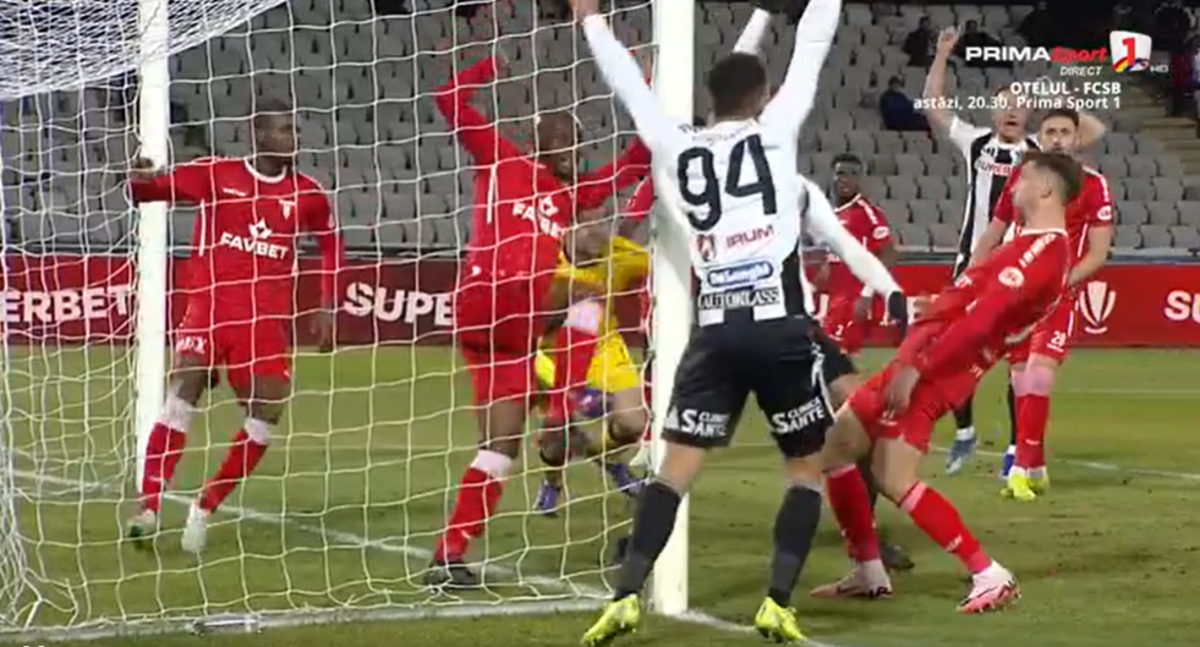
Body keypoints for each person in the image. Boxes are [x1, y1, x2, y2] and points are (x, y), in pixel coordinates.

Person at [576, 0, 907, 642]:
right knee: (806, 470)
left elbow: (627, 83)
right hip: (779, 328)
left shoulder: (676, 144)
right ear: (761, 95)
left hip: (715, 331)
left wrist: (590, 18)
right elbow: (813, 44)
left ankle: (625, 594)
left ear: (711, 99)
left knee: (674, 470)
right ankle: (777, 602)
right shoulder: (777, 131)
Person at [811, 150, 1082, 613]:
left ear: (1045, 189)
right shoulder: (1028, 245)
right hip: (927, 359)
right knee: (837, 446)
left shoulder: (1044, 252)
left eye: (1021, 180)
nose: (1012, 188)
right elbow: (966, 300)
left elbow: (980, 321)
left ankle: (987, 573)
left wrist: (916, 365)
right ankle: (869, 570)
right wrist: (925, 320)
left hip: (939, 369)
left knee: (892, 475)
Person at [425, 53, 650, 588]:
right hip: (486, 297)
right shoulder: (501, 159)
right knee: (585, 292)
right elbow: (447, 101)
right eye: (564, 137)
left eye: (579, 140)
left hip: (512, 333)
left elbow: (634, 164)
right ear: (539, 139)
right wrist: (489, 65)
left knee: (498, 448)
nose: (574, 147)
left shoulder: (572, 195)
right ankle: (562, 409)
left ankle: (448, 556)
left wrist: (644, 87)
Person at [124, 99, 343, 554]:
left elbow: (331, 244)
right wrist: (139, 178)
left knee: (266, 416)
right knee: (182, 392)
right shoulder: (215, 173)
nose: (293, 137)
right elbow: (148, 194)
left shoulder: (307, 193)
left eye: (294, 129)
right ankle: (148, 507)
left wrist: (328, 304)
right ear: (258, 134)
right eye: (283, 129)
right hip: (208, 310)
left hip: (262, 325)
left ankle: (204, 507)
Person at [922, 26, 1105, 474]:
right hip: (975, 260)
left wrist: (1058, 94)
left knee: (1018, 362)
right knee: (955, 352)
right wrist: (942, 55)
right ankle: (964, 430)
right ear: (992, 111)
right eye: (1004, 104)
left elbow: (1091, 130)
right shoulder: (975, 143)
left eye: (1019, 105)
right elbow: (934, 105)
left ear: (1029, 117)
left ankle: (1014, 447)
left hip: (1024, 267)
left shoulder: (1039, 155)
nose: (1011, 110)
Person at [968, 109, 1114, 500]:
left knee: (1038, 374)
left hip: (1059, 296)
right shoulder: (1022, 180)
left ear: (1077, 138)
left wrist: (1056, 284)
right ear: (1040, 138)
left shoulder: (1093, 184)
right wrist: (973, 281)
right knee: (1020, 380)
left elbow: (1098, 253)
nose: (1058, 139)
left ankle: (1020, 468)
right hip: (1018, 296)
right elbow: (992, 234)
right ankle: (1035, 466)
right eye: (1050, 132)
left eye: (1066, 132)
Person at [798, 171, 913, 573]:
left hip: (805, 329)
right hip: (752, 332)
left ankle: (866, 539)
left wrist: (884, 289)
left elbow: (858, 248)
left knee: (863, 421)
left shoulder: (800, 194)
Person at [531, 210, 650, 514]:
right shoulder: (541, 256)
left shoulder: (620, 253)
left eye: (606, 222)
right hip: (549, 352)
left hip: (604, 347)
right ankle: (552, 482)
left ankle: (605, 456)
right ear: (570, 228)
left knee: (634, 423)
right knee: (557, 439)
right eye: (592, 225)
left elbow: (669, 266)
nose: (601, 232)